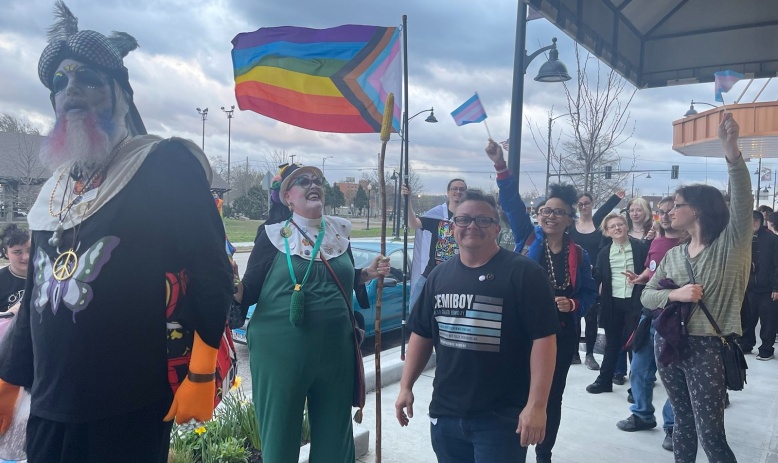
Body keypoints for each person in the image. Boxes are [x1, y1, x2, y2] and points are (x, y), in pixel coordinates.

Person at [0, 3, 234, 461]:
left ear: (122, 95)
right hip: (49, 410)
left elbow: (212, 270)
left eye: (87, 78)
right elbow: (35, 298)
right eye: (60, 83)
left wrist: (203, 371)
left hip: (130, 409)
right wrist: (9, 382)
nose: (72, 91)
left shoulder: (164, 164)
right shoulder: (50, 191)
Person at [235, 163, 389, 463]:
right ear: (287, 197)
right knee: (280, 441)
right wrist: (230, 283)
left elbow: (338, 277)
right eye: (302, 181)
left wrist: (366, 274)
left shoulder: (339, 232)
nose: (313, 184)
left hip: (335, 353)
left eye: (317, 180)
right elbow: (248, 291)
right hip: (280, 356)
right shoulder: (271, 236)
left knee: (336, 440)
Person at [394, 190, 558, 463]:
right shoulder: (438, 276)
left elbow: (544, 340)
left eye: (483, 220)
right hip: (446, 414)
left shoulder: (525, 274)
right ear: (452, 226)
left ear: (496, 228)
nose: (472, 226)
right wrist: (405, 386)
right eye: (464, 219)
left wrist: (537, 405)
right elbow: (421, 334)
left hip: (501, 418)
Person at [641, 112, 748, 463]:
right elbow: (647, 295)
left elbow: (743, 201)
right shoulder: (674, 254)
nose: (669, 211)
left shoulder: (731, 245)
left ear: (699, 210)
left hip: (708, 347)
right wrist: (675, 294)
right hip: (668, 341)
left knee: (711, 433)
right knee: (682, 423)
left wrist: (730, 150)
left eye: (677, 205)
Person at [485, 139, 597, 463]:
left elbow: (590, 295)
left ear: (569, 218)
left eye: (558, 212)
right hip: (523, 332)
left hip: (561, 334)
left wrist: (574, 306)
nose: (550, 215)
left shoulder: (580, 254)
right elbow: (511, 203)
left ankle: (544, 452)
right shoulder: (528, 237)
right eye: (546, 210)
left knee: (553, 396)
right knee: (521, 390)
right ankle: (514, 445)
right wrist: (500, 165)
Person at [616, 196, 683, 450]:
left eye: (671, 211)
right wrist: (639, 277)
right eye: (661, 212)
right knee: (641, 370)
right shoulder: (657, 241)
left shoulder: (690, 243)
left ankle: (674, 425)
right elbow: (651, 270)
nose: (665, 216)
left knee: (674, 376)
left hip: (676, 318)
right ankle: (642, 415)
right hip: (650, 314)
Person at [586, 213, 648, 395]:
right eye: (612, 226)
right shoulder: (604, 253)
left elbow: (650, 271)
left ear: (627, 226)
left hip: (635, 302)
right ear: (607, 232)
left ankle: (637, 389)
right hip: (612, 303)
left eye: (620, 224)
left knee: (636, 346)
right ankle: (605, 380)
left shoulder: (640, 247)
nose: (617, 228)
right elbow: (599, 277)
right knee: (611, 344)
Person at [569, 191, 624, 369]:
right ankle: (574, 352)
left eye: (587, 203)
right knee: (574, 316)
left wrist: (616, 198)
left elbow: (606, 210)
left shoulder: (598, 224)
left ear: (592, 204)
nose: (583, 207)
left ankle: (590, 354)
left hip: (594, 275)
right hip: (573, 275)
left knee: (591, 317)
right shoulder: (571, 225)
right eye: (580, 204)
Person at [404, 179, 467, 308]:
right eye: (455, 188)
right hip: (432, 273)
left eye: (462, 189)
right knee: (415, 308)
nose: (458, 192)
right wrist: (408, 200)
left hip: (459, 275)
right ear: (448, 192)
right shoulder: (436, 215)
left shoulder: (469, 218)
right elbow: (413, 224)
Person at [740, 211, 778, 360]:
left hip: (767, 288)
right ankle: (747, 343)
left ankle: (766, 349)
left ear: (758, 221)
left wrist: (776, 287)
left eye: (753, 221)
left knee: (768, 321)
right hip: (748, 287)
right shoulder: (744, 239)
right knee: (748, 319)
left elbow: (777, 264)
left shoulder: (772, 239)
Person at [0, 225, 30, 315]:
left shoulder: (46, 275)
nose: (26, 257)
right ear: (6, 253)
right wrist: (8, 314)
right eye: (17, 252)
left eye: (29, 250)